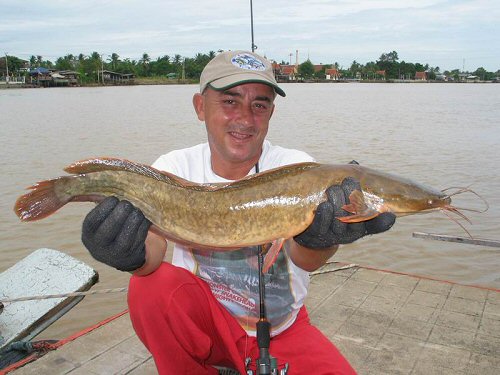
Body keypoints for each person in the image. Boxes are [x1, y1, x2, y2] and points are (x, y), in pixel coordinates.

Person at [81, 50, 396, 374]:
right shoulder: (174, 168)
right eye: (230, 102)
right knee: (149, 287)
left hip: (281, 329)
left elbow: (306, 261)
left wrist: (321, 240)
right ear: (200, 107)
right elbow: (153, 253)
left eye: (259, 104)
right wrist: (125, 252)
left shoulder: (298, 168)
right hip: (207, 326)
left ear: (271, 112)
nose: (246, 118)